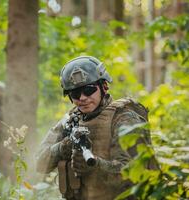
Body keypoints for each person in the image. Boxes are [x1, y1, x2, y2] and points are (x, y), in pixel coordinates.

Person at [36, 56, 150, 200]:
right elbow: (39, 163)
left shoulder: (123, 119)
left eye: (89, 90)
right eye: (75, 93)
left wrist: (96, 166)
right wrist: (62, 147)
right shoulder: (70, 121)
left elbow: (134, 173)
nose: (82, 98)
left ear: (104, 87)